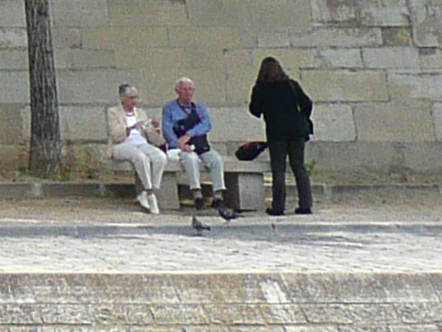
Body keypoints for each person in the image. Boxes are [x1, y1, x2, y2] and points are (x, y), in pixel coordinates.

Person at [248, 56, 315, 216]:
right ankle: (305, 204)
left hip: (276, 131)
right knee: (299, 165)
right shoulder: (291, 85)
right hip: (297, 129)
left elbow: (254, 110)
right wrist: (302, 117)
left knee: (279, 169)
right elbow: (307, 103)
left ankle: (278, 206)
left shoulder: (261, 88)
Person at [160, 76, 231, 214]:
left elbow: (206, 125)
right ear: (177, 91)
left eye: (190, 89)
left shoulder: (199, 108)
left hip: (199, 144)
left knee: (215, 159)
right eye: (185, 89)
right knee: (190, 159)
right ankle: (197, 194)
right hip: (180, 147)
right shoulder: (169, 109)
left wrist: (189, 135)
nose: (188, 93)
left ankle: (218, 195)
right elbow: (168, 131)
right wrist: (180, 144)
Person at [106, 84, 169, 213]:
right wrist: (131, 128)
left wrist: (155, 128)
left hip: (141, 143)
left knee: (160, 157)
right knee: (140, 157)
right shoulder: (113, 112)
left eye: (135, 98)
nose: (133, 101)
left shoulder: (140, 113)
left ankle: (149, 191)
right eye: (130, 98)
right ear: (123, 98)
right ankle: (151, 194)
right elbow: (115, 135)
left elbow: (153, 139)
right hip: (122, 144)